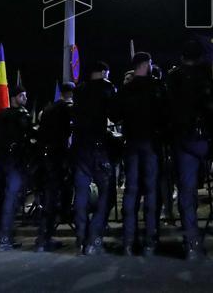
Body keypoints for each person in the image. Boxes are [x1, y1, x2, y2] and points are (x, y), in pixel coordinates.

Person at [166, 40, 213, 259]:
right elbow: (211, 105)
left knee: (186, 189)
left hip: (181, 137)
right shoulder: (203, 76)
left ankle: (191, 241)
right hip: (201, 136)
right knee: (194, 186)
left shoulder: (173, 77)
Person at [114, 52, 167, 256]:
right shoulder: (155, 88)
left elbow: (114, 114)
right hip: (151, 145)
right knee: (151, 192)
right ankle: (150, 241)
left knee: (131, 191)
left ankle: (128, 241)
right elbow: (165, 115)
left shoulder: (126, 90)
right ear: (146, 64)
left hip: (132, 144)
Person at [71, 61, 116, 255]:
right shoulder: (106, 88)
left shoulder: (80, 90)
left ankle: (81, 236)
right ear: (104, 72)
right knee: (107, 193)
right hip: (99, 147)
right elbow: (114, 113)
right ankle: (94, 237)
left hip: (80, 147)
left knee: (81, 194)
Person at [0, 86, 31, 251]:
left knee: (2, 198)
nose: (25, 99)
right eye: (22, 96)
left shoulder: (1, 116)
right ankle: (4, 239)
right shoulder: (21, 115)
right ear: (14, 98)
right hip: (14, 162)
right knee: (10, 201)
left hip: (1, 163)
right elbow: (27, 138)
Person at [34, 83, 75, 252]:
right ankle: (46, 237)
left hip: (46, 156)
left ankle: (43, 237)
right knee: (57, 196)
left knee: (49, 197)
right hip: (60, 156)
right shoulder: (69, 109)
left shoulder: (48, 110)